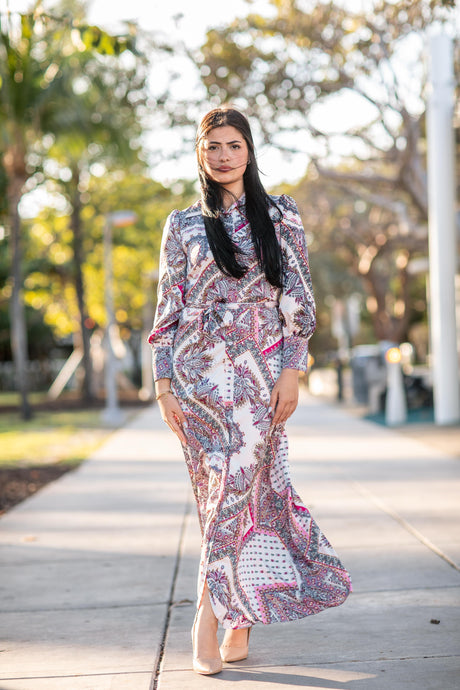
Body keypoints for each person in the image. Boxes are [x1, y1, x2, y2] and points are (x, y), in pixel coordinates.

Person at [148, 106, 351, 676]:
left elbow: (300, 304)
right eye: (212, 147)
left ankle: (211, 616)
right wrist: (163, 384)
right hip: (199, 378)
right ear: (200, 153)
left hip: (261, 377)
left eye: (233, 146)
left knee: (248, 492)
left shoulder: (282, 216)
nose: (223, 156)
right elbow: (168, 310)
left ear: (249, 150)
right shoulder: (183, 224)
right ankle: (230, 614)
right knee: (218, 498)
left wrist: (292, 370)